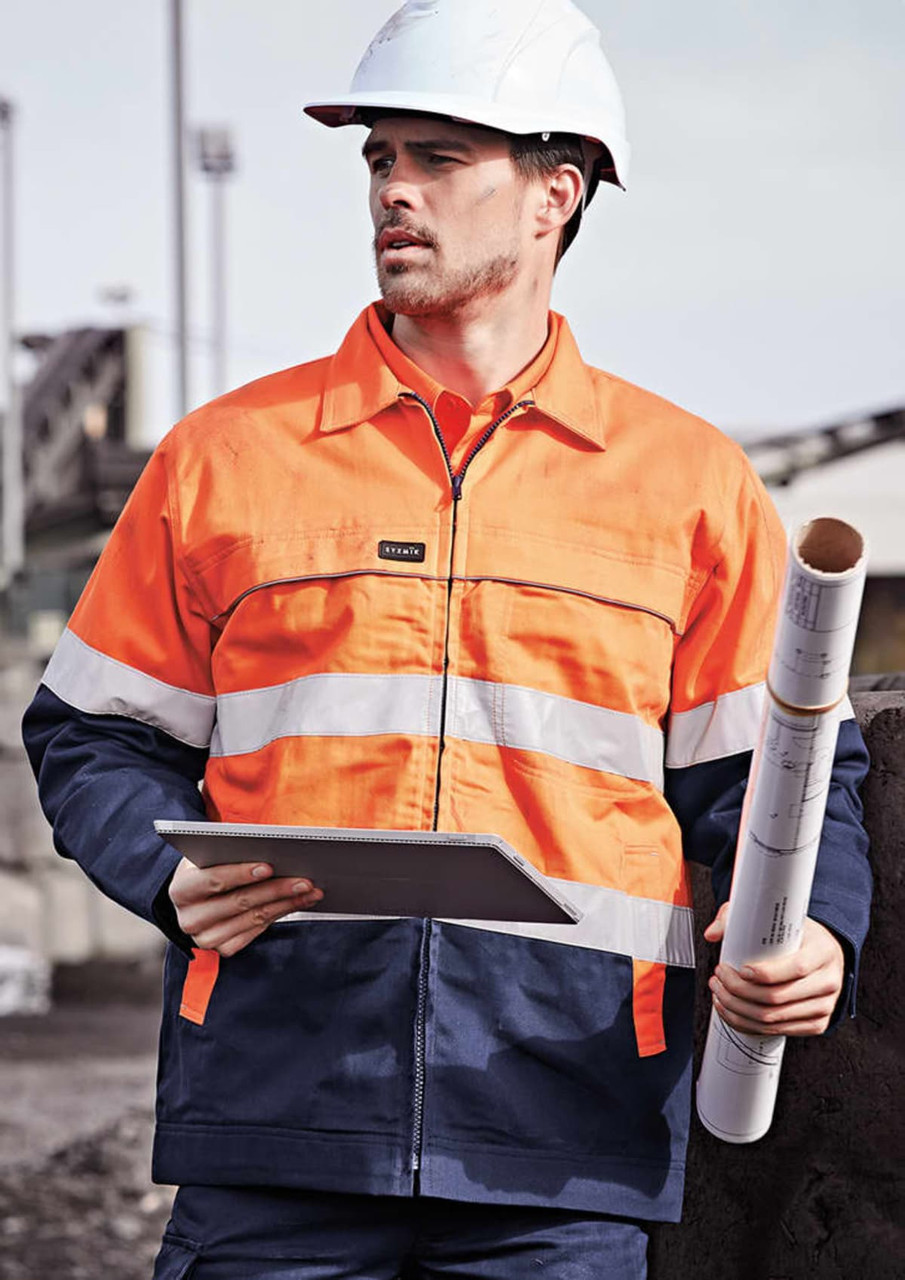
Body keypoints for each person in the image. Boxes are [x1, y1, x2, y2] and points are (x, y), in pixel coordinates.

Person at [23, 2, 872, 1276]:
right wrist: (163, 871)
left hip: (564, 1132)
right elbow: (91, 732)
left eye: (438, 157)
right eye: (380, 157)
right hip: (279, 1113)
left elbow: (780, 777)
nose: (393, 189)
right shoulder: (225, 459)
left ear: (554, 194)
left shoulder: (687, 486)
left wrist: (815, 935)